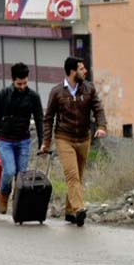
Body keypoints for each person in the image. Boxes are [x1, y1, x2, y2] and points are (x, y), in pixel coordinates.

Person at [40, 57, 107, 227]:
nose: (85, 71)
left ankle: (69, 210)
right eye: (82, 69)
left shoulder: (89, 89)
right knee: (72, 175)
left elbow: (98, 109)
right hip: (64, 138)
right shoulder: (56, 92)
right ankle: (78, 209)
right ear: (72, 72)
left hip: (84, 138)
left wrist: (101, 126)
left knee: (79, 176)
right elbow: (48, 119)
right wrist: (46, 143)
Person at [0, 62, 44, 214]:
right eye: (19, 83)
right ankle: (4, 193)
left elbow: (39, 120)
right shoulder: (2, 95)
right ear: (13, 80)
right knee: (10, 171)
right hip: (5, 140)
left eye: (25, 83)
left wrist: (43, 142)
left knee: (21, 175)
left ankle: (19, 203)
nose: (22, 86)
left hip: (24, 140)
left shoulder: (33, 97)